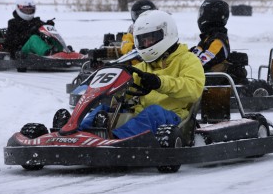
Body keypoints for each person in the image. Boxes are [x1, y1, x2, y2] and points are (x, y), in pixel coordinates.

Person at [80, 10, 205, 139]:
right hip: (141, 115)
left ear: (167, 33)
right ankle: (79, 134)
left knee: (154, 112)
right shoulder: (143, 66)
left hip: (173, 117)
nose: (146, 44)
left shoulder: (188, 60)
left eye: (150, 39)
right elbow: (126, 90)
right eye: (142, 40)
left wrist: (159, 83)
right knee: (104, 109)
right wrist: (114, 81)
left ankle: (118, 140)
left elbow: (193, 89)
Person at [190, 0, 231, 72]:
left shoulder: (218, 40)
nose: (201, 16)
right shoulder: (208, 37)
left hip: (211, 79)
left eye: (203, 13)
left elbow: (203, 62)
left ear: (210, 15)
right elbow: (194, 54)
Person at [120, 0, 157, 64]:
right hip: (136, 67)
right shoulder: (132, 30)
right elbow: (124, 46)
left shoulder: (158, 28)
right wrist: (137, 47)